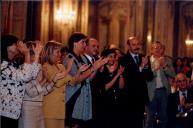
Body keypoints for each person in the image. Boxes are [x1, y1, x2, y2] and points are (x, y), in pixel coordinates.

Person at [64, 32, 108, 128]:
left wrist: (96, 68)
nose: (85, 45)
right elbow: (77, 80)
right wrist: (93, 68)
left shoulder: (82, 58)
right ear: (75, 43)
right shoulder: (69, 58)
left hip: (84, 98)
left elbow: (88, 79)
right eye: (83, 42)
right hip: (74, 98)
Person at [18, 41, 67, 128]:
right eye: (36, 52)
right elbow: (31, 92)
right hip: (29, 109)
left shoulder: (39, 68)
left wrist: (54, 80)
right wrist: (44, 80)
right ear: (28, 53)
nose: (39, 55)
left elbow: (43, 92)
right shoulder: (23, 69)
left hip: (40, 108)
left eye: (39, 52)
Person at [0, 35, 41, 128]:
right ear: (7, 46)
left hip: (13, 111)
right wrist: (26, 53)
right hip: (3, 111)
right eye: (15, 44)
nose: (19, 46)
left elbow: (32, 75)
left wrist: (37, 54)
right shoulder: (2, 65)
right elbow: (25, 76)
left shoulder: (13, 64)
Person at [120, 37, 153, 128]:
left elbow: (150, 77)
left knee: (139, 123)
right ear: (128, 46)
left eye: (138, 44)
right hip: (128, 98)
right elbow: (129, 78)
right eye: (133, 45)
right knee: (129, 123)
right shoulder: (123, 59)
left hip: (141, 98)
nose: (136, 46)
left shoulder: (144, 57)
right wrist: (142, 66)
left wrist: (146, 66)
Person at [146, 41, 176, 128]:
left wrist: (164, 66)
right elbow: (147, 76)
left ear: (162, 49)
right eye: (155, 48)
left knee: (164, 116)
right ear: (151, 50)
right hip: (151, 92)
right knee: (150, 117)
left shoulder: (167, 60)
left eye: (160, 47)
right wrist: (156, 68)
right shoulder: (147, 61)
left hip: (163, 91)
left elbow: (173, 74)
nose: (158, 49)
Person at [94, 49, 125, 128]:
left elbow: (121, 86)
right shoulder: (101, 70)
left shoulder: (117, 69)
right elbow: (105, 88)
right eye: (110, 56)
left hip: (116, 103)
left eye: (114, 57)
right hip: (104, 103)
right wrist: (117, 75)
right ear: (104, 57)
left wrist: (121, 75)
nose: (112, 59)